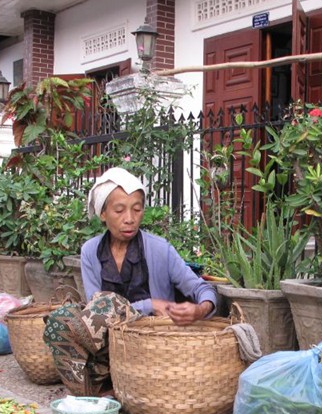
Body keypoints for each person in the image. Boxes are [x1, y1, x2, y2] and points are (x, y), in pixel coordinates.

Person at [43, 167, 218, 395]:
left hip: (152, 345)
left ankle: (128, 384)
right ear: (103, 214)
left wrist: (201, 309)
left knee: (107, 303)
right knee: (60, 320)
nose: (130, 219)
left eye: (137, 210)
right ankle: (91, 394)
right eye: (119, 210)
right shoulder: (90, 251)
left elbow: (202, 288)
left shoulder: (159, 249)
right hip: (110, 346)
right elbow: (93, 315)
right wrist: (148, 305)